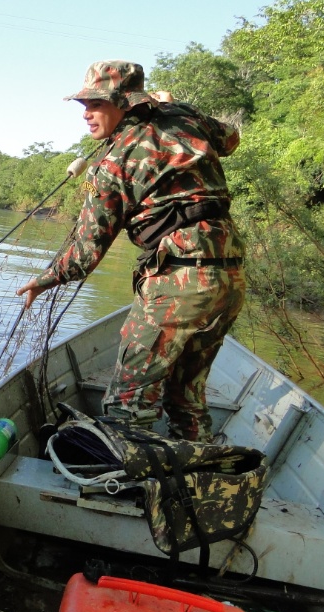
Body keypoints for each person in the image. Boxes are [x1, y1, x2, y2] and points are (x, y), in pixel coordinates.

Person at [16, 60, 246, 442]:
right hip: (230, 279)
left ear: (124, 103)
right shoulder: (184, 117)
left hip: (179, 282)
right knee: (185, 396)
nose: (87, 114)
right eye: (83, 106)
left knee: (126, 405)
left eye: (97, 104)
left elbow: (87, 252)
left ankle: (130, 492)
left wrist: (45, 279)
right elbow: (231, 139)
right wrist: (175, 107)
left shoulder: (112, 165)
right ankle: (199, 481)